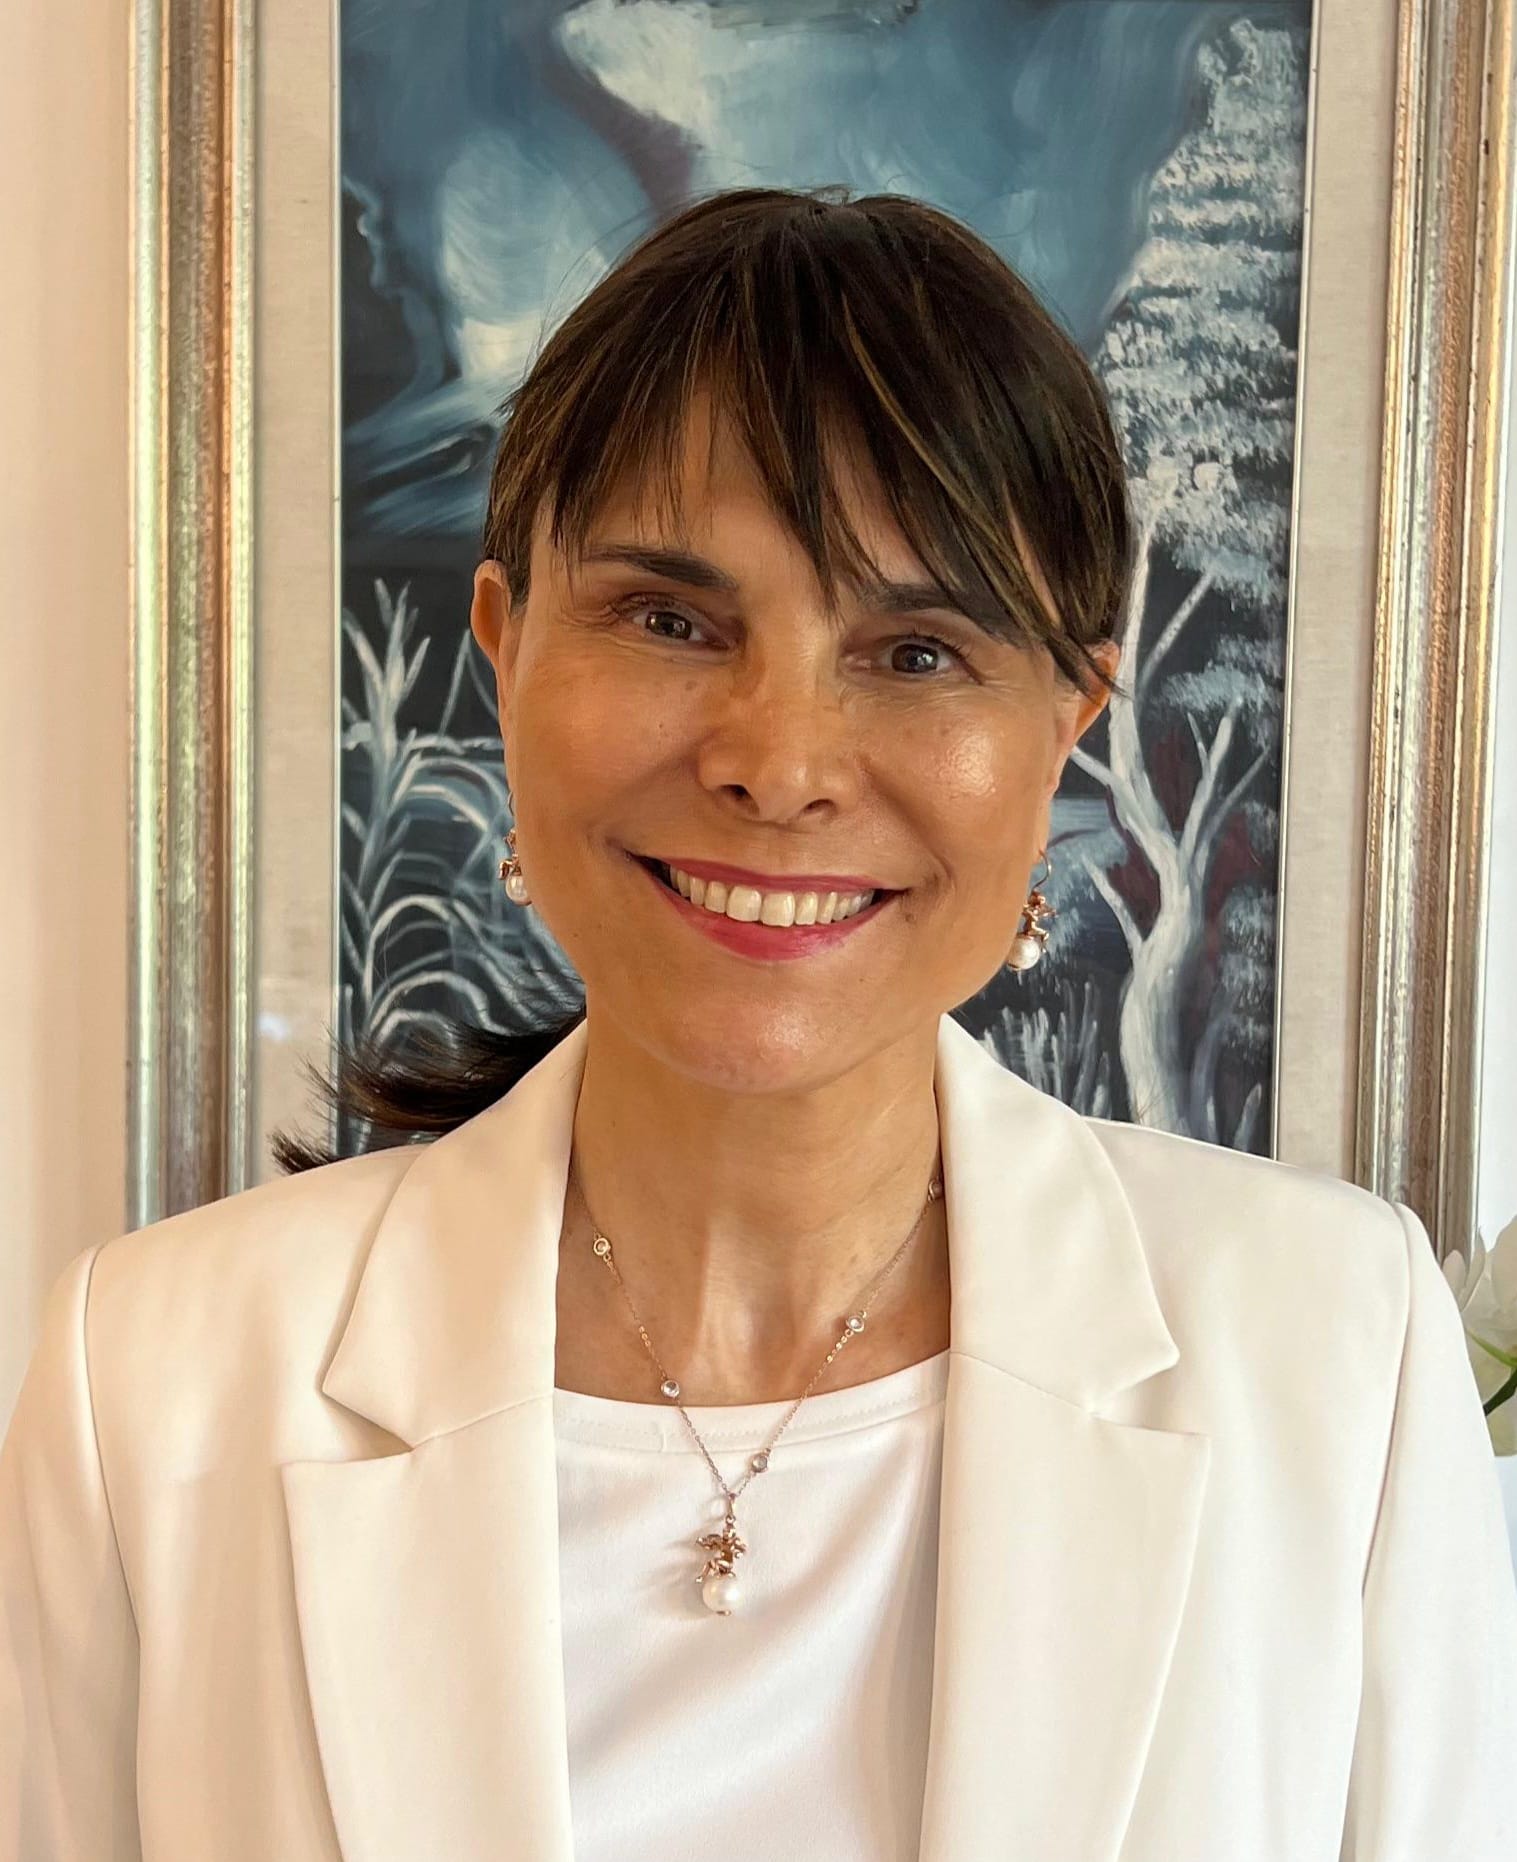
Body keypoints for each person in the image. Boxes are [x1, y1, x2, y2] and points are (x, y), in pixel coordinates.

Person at [3, 185, 1515, 1862]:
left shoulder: (1333, 1353)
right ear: (504, 647)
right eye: (671, 621)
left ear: (1064, 723)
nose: (776, 762)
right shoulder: (154, 1381)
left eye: (917, 651)